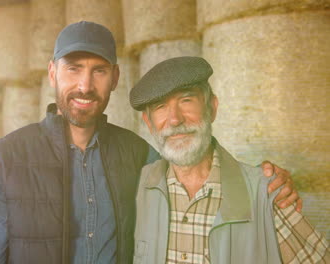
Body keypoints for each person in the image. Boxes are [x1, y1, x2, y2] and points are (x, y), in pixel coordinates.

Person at [0, 22, 300, 264]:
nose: (85, 85)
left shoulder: (141, 155)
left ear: (114, 78)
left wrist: (264, 185)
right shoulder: (9, 158)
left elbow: (198, 176)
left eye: (98, 71)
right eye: (73, 69)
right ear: (53, 73)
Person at [130, 57, 329, 264]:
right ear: (149, 123)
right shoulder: (135, 187)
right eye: (160, 106)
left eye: (186, 100)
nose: (174, 119)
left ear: (212, 108)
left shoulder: (265, 193)